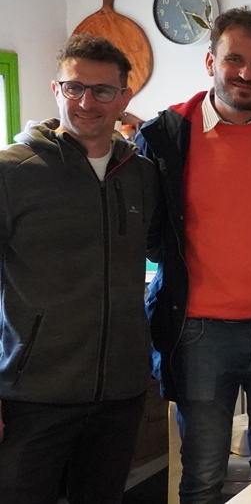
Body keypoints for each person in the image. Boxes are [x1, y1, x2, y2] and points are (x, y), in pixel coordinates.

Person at [136, 7, 251, 503]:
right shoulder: (166, 134)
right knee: (203, 475)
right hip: (200, 332)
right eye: (234, 59)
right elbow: (152, 234)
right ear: (210, 62)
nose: (246, 73)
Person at [0, 34, 159, 503]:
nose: (87, 102)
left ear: (124, 98)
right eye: (74, 88)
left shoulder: (142, 175)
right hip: (34, 395)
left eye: (102, 90)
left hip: (120, 393)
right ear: (57, 90)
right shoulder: (12, 172)